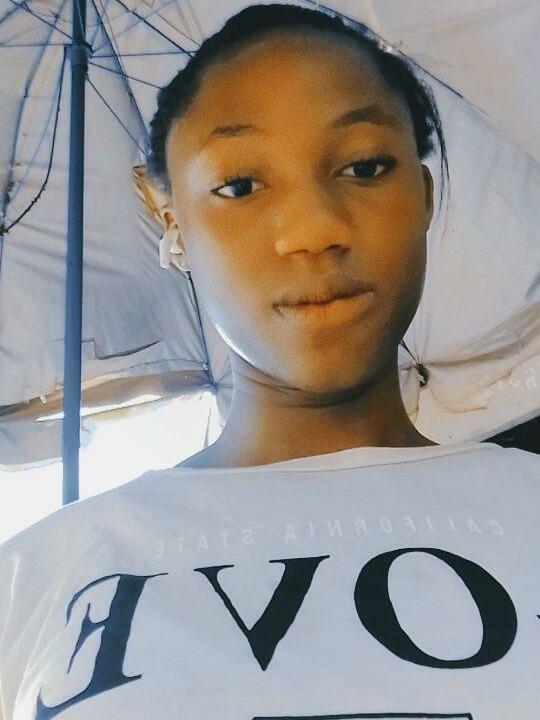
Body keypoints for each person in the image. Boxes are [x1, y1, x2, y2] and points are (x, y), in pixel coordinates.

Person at [0, 4, 538, 719]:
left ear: (425, 195)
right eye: (240, 186)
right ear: (169, 218)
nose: (314, 229)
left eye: (365, 166)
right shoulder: (35, 576)